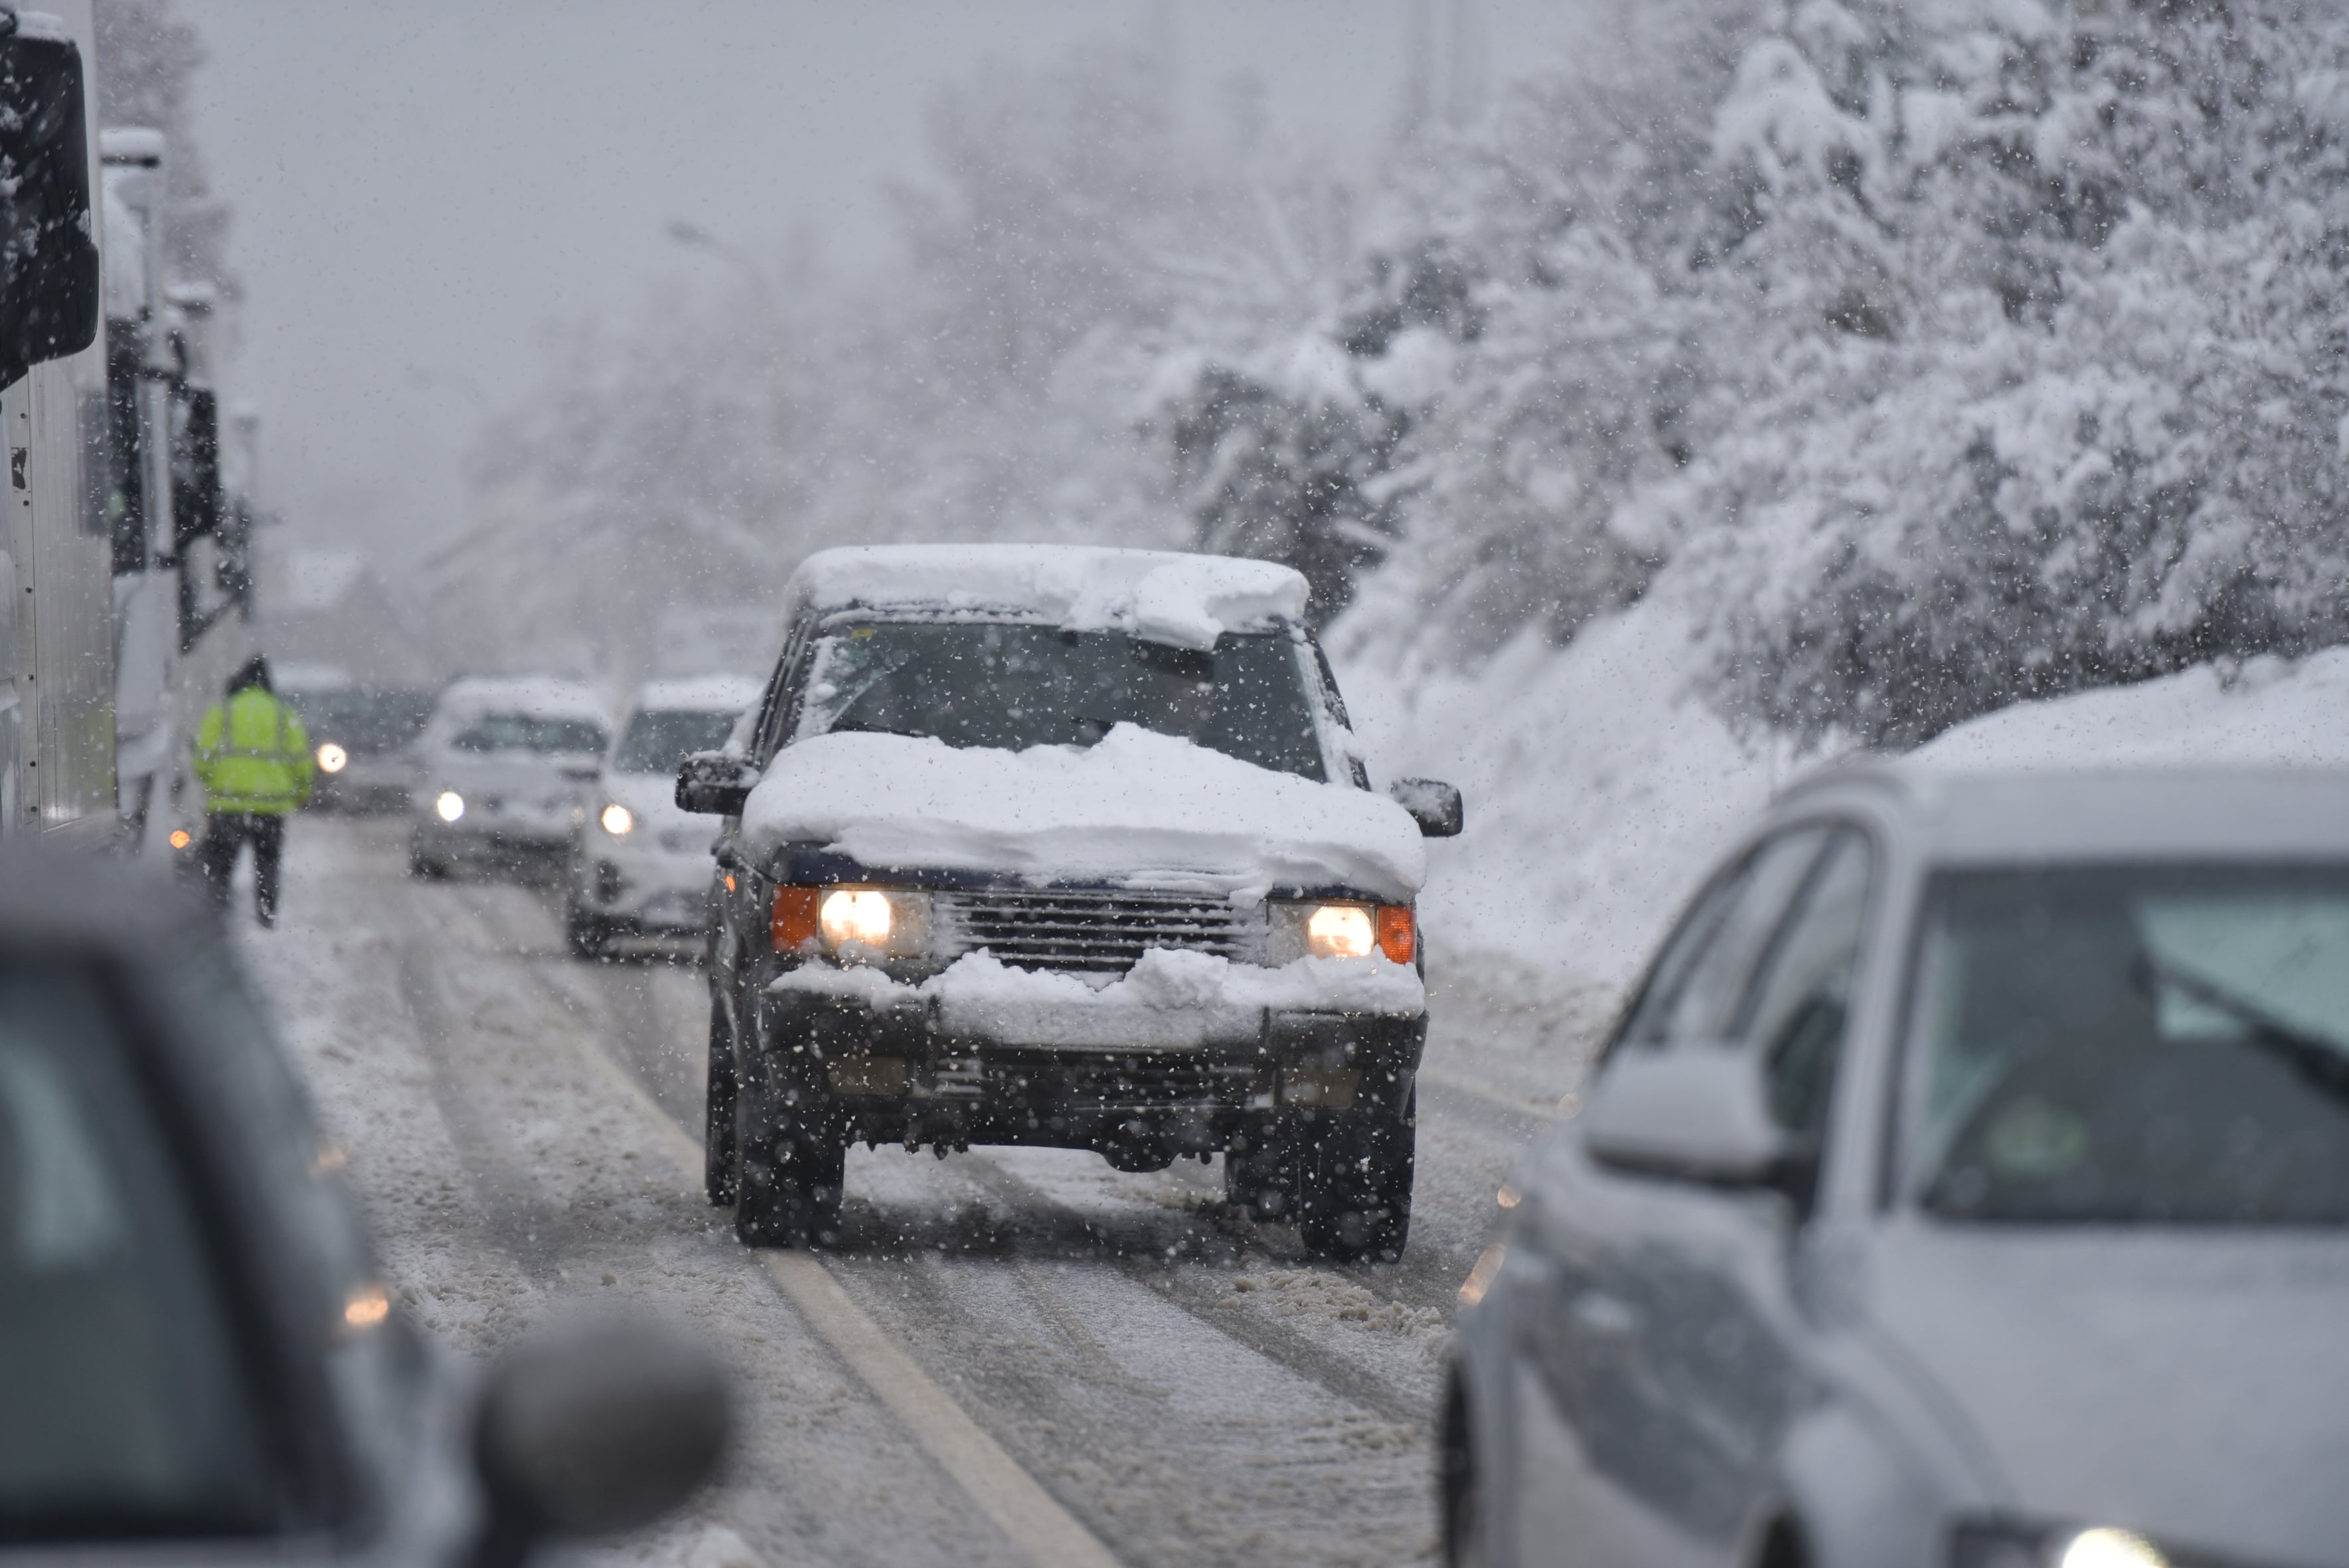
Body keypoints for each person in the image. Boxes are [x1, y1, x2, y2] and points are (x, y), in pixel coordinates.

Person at [191, 654, 313, 926]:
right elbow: (301, 761)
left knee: (221, 865)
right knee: (267, 864)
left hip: (227, 806)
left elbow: (203, 758)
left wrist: (213, 782)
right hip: (270, 808)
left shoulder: (222, 712)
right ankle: (266, 914)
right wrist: (302, 792)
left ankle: (215, 914)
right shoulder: (283, 715)